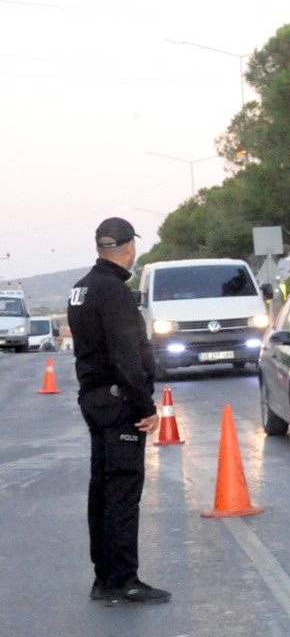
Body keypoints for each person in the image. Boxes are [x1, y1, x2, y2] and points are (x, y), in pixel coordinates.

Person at [69, 217, 171, 605]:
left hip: (93, 399)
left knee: (102, 490)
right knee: (123, 492)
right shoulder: (114, 291)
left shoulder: (81, 289)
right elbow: (126, 355)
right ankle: (125, 579)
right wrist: (145, 405)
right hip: (119, 403)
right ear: (129, 248)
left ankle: (104, 578)